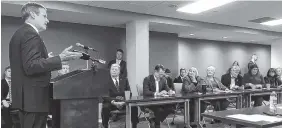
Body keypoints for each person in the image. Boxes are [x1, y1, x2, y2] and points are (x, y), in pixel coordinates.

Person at [9, 2, 82, 128]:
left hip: (27, 100)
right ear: (32, 14)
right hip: (33, 100)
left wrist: (51, 59)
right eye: (44, 16)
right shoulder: (30, 34)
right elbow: (31, 66)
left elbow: (27, 63)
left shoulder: (20, 33)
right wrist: (59, 58)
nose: (47, 20)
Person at [101, 64, 139, 128]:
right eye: (112, 69)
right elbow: (104, 95)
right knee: (105, 107)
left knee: (134, 106)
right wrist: (114, 102)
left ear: (119, 71)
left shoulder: (124, 79)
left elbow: (129, 93)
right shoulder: (105, 81)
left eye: (116, 69)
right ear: (110, 71)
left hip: (123, 102)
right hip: (111, 102)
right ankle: (105, 125)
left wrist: (124, 101)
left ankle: (133, 125)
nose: (114, 71)